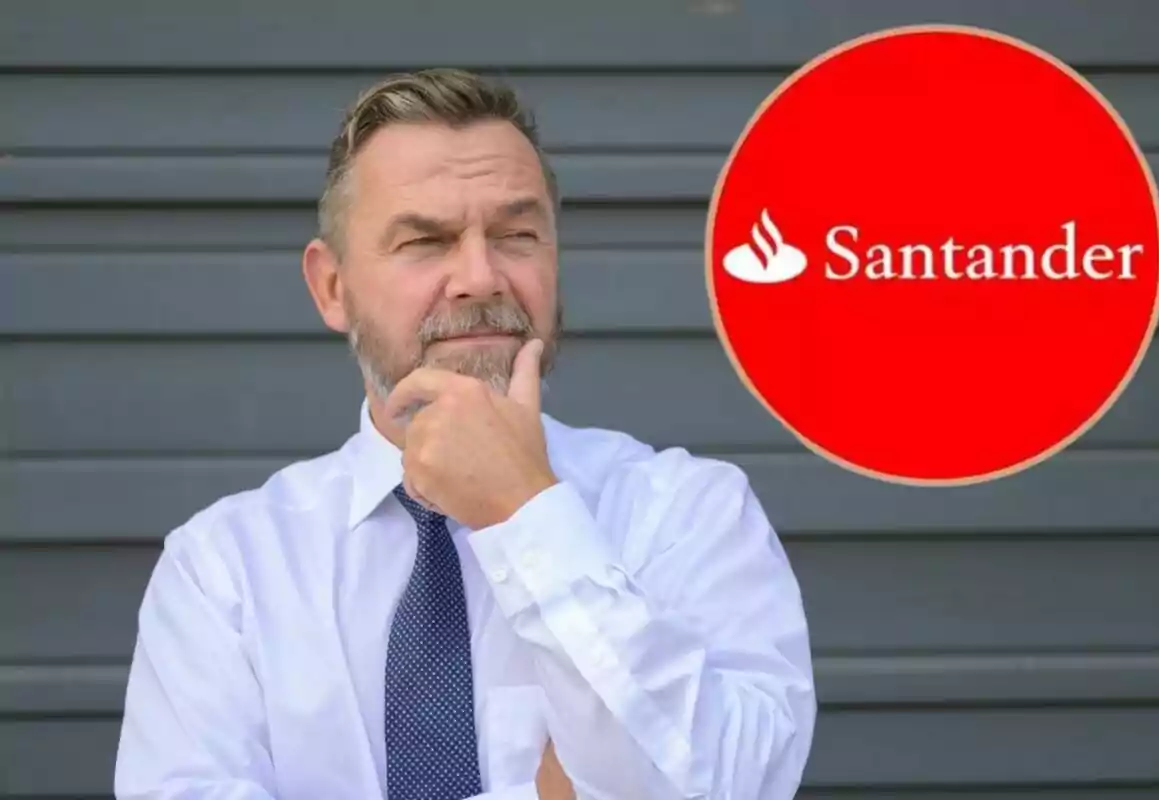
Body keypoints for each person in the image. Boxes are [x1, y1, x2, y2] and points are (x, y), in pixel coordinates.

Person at [114, 68, 816, 800]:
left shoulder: (691, 515)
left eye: (516, 234)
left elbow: (735, 783)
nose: (480, 278)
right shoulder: (225, 570)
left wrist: (526, 513)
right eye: (425, 242)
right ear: (332, 287)